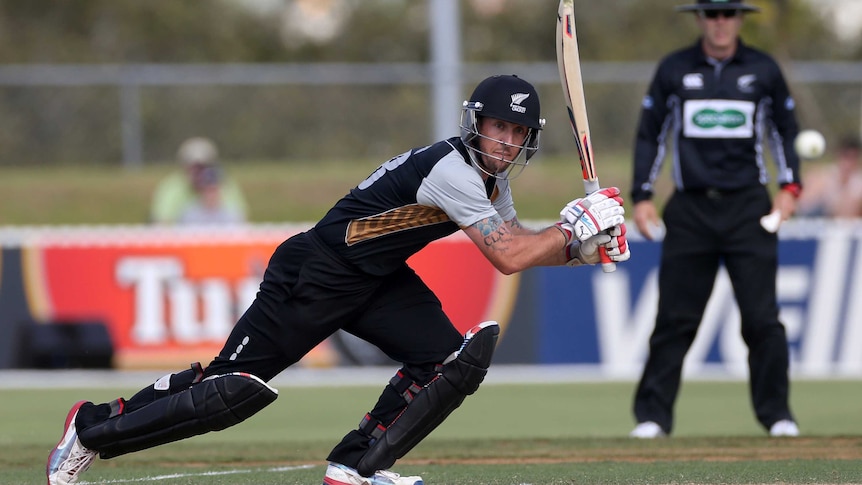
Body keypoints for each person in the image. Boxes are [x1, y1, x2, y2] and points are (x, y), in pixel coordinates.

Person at [47, 74, 631, 485]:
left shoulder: (491, 183)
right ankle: (91, 429)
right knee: (230, 392)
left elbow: (523, 247)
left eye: (517, 132)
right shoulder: (452, 170)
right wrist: (573, 224)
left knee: (449, 361)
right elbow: (508, 257)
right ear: (475, 125)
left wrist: (584, 249)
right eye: (497, 127)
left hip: (374, 278)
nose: (506, 141)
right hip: (319, 271)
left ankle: (355, 466)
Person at [628, 0, 802, 439]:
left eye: (728, 14)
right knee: (674, 318)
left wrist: (790, 188)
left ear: (740, 18)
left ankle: (777, 416)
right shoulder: (674, 69)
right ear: (700, 19)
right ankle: (653, 418)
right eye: (712, 14)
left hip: (749, 209)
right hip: (690, 209)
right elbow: (651, 135)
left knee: (761, 319)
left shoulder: (763, 70)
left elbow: (786, 130)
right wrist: (643, 196)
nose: (720, 23)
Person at [150, 136, 249, 224]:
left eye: (203, 167)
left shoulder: (226, 186)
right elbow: (162, 223)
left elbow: (240, 221)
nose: (198, 173)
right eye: (194, 168)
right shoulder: (172, 188)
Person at [797, 135, 862, 218]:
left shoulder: (858, 182)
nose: (848, 163)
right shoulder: (823, 176)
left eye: (853, 157)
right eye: (846, 156)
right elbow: (803, 205)